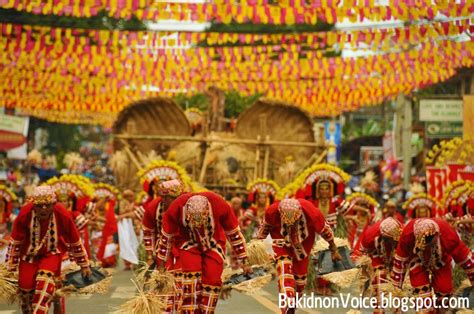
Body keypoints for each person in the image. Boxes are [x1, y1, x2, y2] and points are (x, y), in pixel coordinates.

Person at [156, 192, 251, 313]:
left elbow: (234, 234)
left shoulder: (220, 205)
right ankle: (189, 311)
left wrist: (244, 260)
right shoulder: (176, 208)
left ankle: (207, 311)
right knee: (191, 277)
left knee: (213, 280)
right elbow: (166, 239)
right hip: (188, 243)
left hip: (214, 243)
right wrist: (161, 266)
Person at [6, 186, 91, 314]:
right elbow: (15, 241)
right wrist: (11, 267)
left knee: (44, 284)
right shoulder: (25, 213)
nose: (43, 209)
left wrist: (84, 264)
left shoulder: (61, 213)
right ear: (33, 205)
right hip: (28, 256)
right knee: (25, 289)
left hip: (51, 254)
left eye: (47, 205)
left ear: (53, 204)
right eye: (40, 206)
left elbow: (74, 239)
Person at [257, 198, 341, 313]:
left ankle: (292, 305)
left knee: (300, 283)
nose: (290, 226)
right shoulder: (272, 212)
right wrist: (257, 250)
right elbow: (263, 230)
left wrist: (334, 249)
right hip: (281, 243)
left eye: (294, 222)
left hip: (303, 246)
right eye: (287, 223)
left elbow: (325, 231)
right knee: (284, 272)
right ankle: (287, 305)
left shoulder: (313, 214)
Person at [391, 218, 474, 312]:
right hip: (418, 261)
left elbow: (465, 258)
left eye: (432, 243)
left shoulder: (447, 233)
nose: (429, 247)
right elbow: (400, 261)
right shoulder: (407, 236)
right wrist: (396, 289)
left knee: (444, 292)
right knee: (423, 300)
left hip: (441, 260)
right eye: (426, 245)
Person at [142, 179, 185, 313]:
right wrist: (150, 255)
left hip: (184, 249)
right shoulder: (154, 207)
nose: (165, 201)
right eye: (164, 198)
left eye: (171, 198)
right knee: (161, 284)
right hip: (162, 250)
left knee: (183, 283)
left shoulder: (188, 206)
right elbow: (148, 232)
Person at [358, 217, 402, 313]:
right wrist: (365, 274)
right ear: (384, 237)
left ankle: (397, 310)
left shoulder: (400, 233)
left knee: (397, 283)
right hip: (376, 255)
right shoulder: (370, 236)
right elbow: (362, 255)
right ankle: (379, 309)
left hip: (395, 256)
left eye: (396, 240)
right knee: (379, 280)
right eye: (392, 240)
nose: (394, 242)